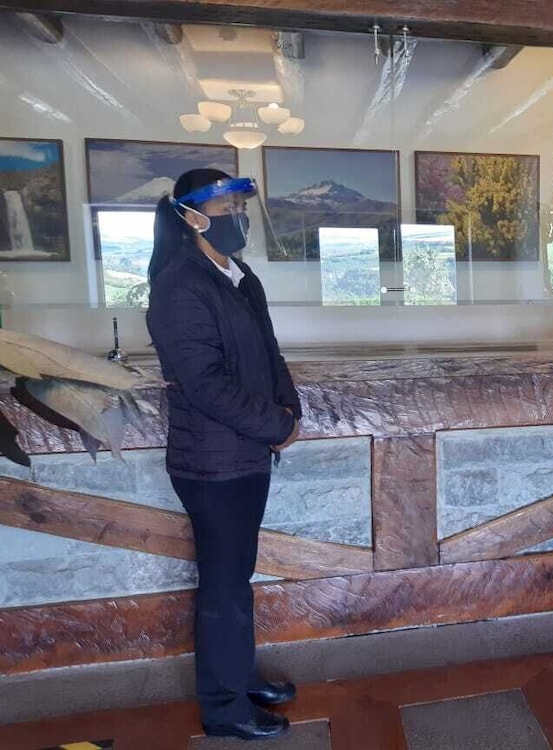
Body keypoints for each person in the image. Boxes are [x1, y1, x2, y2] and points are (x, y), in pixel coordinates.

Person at [146, 169, 301, 741]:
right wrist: (275, 426)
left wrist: (289, 411)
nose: (238, 218)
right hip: (212, 463)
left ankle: (238, 676)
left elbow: (269, 352)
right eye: (226, 208)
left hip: (245, 453)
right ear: (190, 217)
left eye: (241, 207)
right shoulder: (178, 285)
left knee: (236, 577)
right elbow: (205, 385)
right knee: (224, 585)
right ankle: (225, 707)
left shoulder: (238, 276)